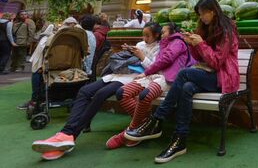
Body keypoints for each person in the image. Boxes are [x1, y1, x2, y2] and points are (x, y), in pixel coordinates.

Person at [124, 0, 240, 164]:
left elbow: (217, 62)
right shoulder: (206, 27)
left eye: (202, 14)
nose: (201, 18)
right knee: (186, 87)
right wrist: (192, 44)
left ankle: (157, 120)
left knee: (184, 74)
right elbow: (199, 57)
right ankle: (180, 140)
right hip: (207, 74)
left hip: (224, 77)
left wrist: (201, 44)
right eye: (199, 14)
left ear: (212, 12)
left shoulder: (227, 30)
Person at [31, 22, 162, 161]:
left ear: (157, 35)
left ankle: (69, 135)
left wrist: (141, 56)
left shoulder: (160, 48)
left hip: (136, 78)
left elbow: (154, 68)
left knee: (100, 95)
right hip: (118, 74)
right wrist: (130, 51)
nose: (144, 38)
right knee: (85, 91)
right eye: (143, 34)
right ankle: (67, 133)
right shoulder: (141, 44)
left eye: (147, 35)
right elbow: (130, 59)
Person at [106, 22, 195, 149]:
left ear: (172, 32)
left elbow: (166, 60)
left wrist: (146, 72)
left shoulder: (178, 42)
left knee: (145, 95)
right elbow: (157, 62)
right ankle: (146, 125)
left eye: (164, 32)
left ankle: (128, 133)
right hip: (155, 75)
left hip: (169, 79)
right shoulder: (164, 44)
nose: (161, 34)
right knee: (122, 93)